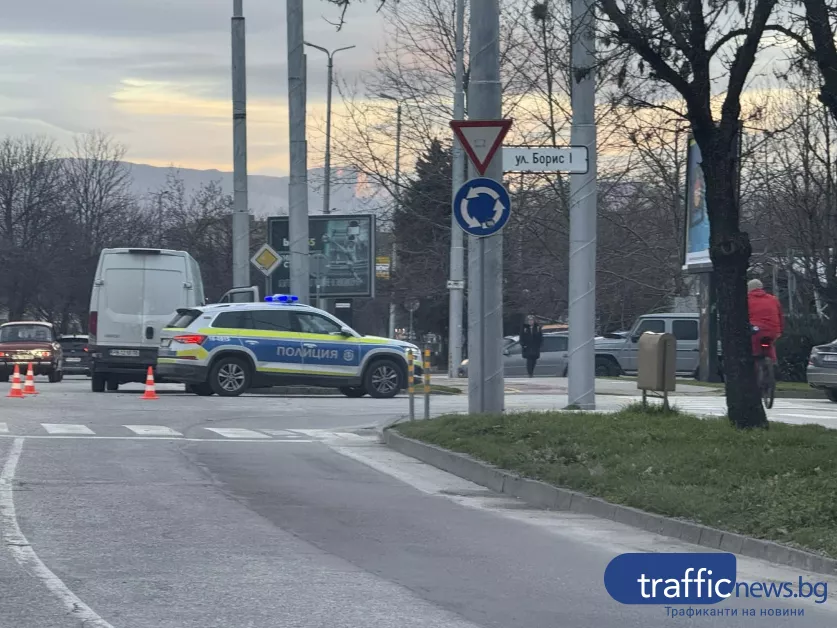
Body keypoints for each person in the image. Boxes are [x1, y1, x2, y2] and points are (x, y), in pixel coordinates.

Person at [747, 279, 784, 362]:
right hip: (773, 331)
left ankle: (753, 363)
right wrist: (779, 332)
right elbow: (780, 316)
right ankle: (774, 363)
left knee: (754, 350)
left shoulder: (746, 300)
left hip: (756, 331)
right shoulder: (773, 299)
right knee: (770, 345)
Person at [520, 313, 543, 378]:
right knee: (529, 360)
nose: (530, 322)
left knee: (534, 361)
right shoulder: (524, 328)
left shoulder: (537, 328)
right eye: (529, 320)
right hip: (528, 347)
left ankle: (532, 372)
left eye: (532, 320)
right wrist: (523, 345)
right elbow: (521, 338)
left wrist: (539, 345)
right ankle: (530, 373)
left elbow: (540, 338)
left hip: (535, 348)